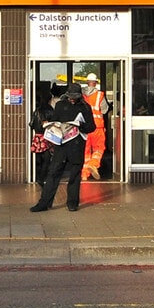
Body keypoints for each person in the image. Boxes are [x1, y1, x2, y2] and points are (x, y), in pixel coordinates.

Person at [29, 78, 95, 212]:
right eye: (70, 97)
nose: (72, 100)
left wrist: (80, 125)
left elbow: (91, 127)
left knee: (75, 176)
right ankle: (44, 203)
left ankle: (72, 203)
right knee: (53, 174)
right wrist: (51, 125)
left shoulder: (85, 107)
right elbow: (55, 120)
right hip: (61, 145)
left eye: (74, 98)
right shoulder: (60, 105)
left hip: (77, 145)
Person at [79, 73, 110, 182]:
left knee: (85, 151)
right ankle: (93, 164)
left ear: (87, 82)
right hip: (97, 127)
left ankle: (84, 175)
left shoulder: (81, 95)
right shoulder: (100, 95)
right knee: (99, 148)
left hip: (84, 127)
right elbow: (104, 110)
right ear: (95, 83)